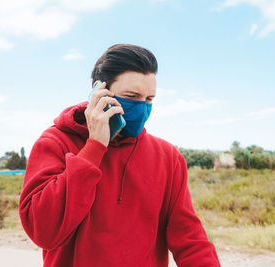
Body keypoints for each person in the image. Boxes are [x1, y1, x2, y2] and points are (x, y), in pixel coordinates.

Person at [19, 44, 221, 267]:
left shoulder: (168, 157)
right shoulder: (55, 142)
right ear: (100, 91)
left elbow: (190, 239)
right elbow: (43, 231)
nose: (142, 108)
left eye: (149, 99)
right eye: (132, 96)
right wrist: (94, 146)